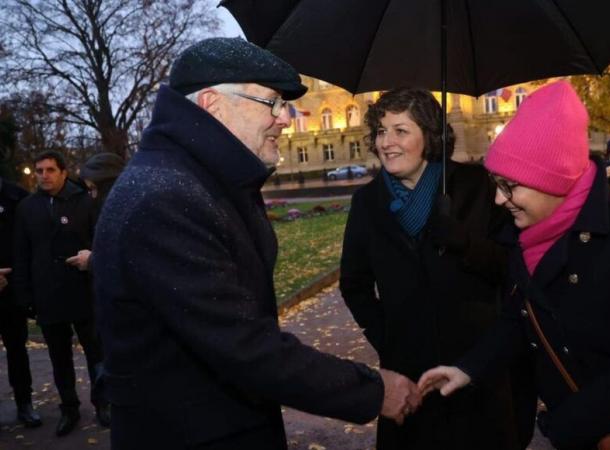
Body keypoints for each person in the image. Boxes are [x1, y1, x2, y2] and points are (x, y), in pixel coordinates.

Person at [91, 37, 420, 450]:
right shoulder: (167, 198)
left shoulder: (196, 181)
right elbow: (243, 345)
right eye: (273, 103)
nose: (286, 119)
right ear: (213, 104)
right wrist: (373, 390)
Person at [419, 81, 610, 450]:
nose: (500, 199)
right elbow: (522, 317)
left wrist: (557, 427)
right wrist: (468, 369)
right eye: (496, 184)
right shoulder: (524, 235)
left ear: (552, 179)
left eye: (510, 186)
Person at [339, 87, 536, 450]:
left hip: (477, 363)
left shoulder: (476, 186)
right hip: (409, 373)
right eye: (381, 131)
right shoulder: (367, 202)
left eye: (400, 130)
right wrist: (387, 338)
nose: (387, 142)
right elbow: (354, 283)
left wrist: (466, 243)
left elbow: (513, 268)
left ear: (428, 136)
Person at [13, 151, 109, 436]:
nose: (44, 175)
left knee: (95, 352)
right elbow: (21, 253)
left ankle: (103, 402)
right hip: (47, 294)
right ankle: (69, 408)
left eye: (50, 170)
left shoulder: (85, 201)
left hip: (83, 290)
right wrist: (25, 295)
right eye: (39, 170)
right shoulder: (27, 208)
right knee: (59, 357)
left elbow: (99, 242)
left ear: (64, 172)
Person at [0, 177, 42, 429]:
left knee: (17, 350)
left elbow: (31, 243)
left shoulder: (18, 198)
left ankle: (24, 404)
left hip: (12, 291)